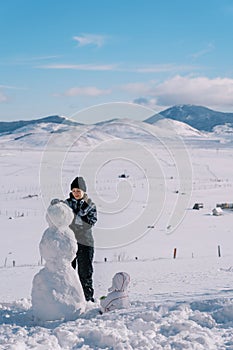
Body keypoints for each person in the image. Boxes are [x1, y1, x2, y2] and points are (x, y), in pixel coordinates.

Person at [65, 176, 97, 302]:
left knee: (85, 273)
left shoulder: (90, 205)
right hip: (69, 242)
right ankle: (70, 299)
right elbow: (60, 216)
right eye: (74, 191)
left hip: (85, 243)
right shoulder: (66, 204)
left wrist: (75, 219)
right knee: (69, 272)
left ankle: (87, 299)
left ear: (83, 191)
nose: (76, 193)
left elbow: (90, 222)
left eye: (78, 191)